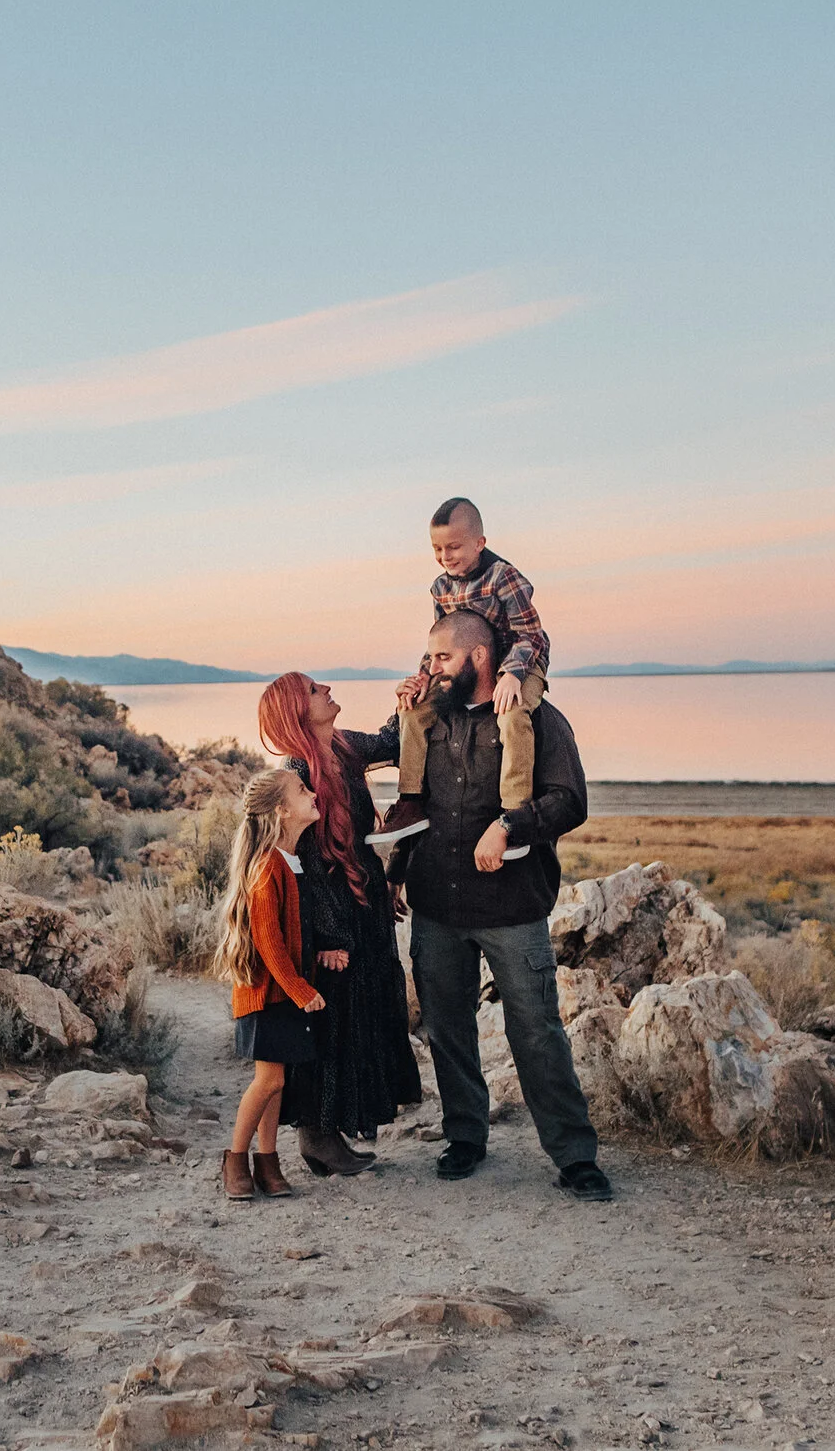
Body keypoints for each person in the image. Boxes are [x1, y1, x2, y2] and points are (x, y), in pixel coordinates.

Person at [399, 607, 612, 1201]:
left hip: (514, 908)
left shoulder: (538, 719)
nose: (431, 668)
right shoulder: (427, 718)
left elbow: (569, 802)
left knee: (538, 1031)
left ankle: (574, 1157)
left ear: (478, 658)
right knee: (446, 1028)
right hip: (436, 904)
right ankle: (465, 1136)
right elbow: (393, 775)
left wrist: (511, 827)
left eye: (442, 658)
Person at [255, 672, 423, 1177]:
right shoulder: (298, 769)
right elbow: (301, 863)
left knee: (360, 1014)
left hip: (364, 900)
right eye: (312, 689)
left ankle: (333, 1136)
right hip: (332, 915)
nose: (325, 688)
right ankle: (317, 1136)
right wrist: (327, 938)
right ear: (297, 711)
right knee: (330, 1024)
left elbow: (394, 741)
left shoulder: (345, 747)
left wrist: (407, 697)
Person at [383, 497, 551, 840]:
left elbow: (530, 635)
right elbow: (441, 641)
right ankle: (411, 801)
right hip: (466, 668)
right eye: (437, 549)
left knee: (512, 715)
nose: (445, 557)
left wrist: (511, 675)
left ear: (480, 543)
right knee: (412, 714)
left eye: (454, 547)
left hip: (521, 659)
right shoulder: (440, 587)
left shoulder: (504, 578)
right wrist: (424, 678)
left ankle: (514, 812)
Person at [211, 767, 329, 1201]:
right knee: (268, 1082)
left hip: (284, 994)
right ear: (282, 810)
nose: (312, 792)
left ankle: (268, 1162)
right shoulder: (268, 867)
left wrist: (320, 955)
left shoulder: (291, 862)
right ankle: (235, 1160)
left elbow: (296, 932)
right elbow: (269, 941)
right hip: (268, 997)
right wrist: (301, 990)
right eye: (302, 790)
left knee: (277, 1080)